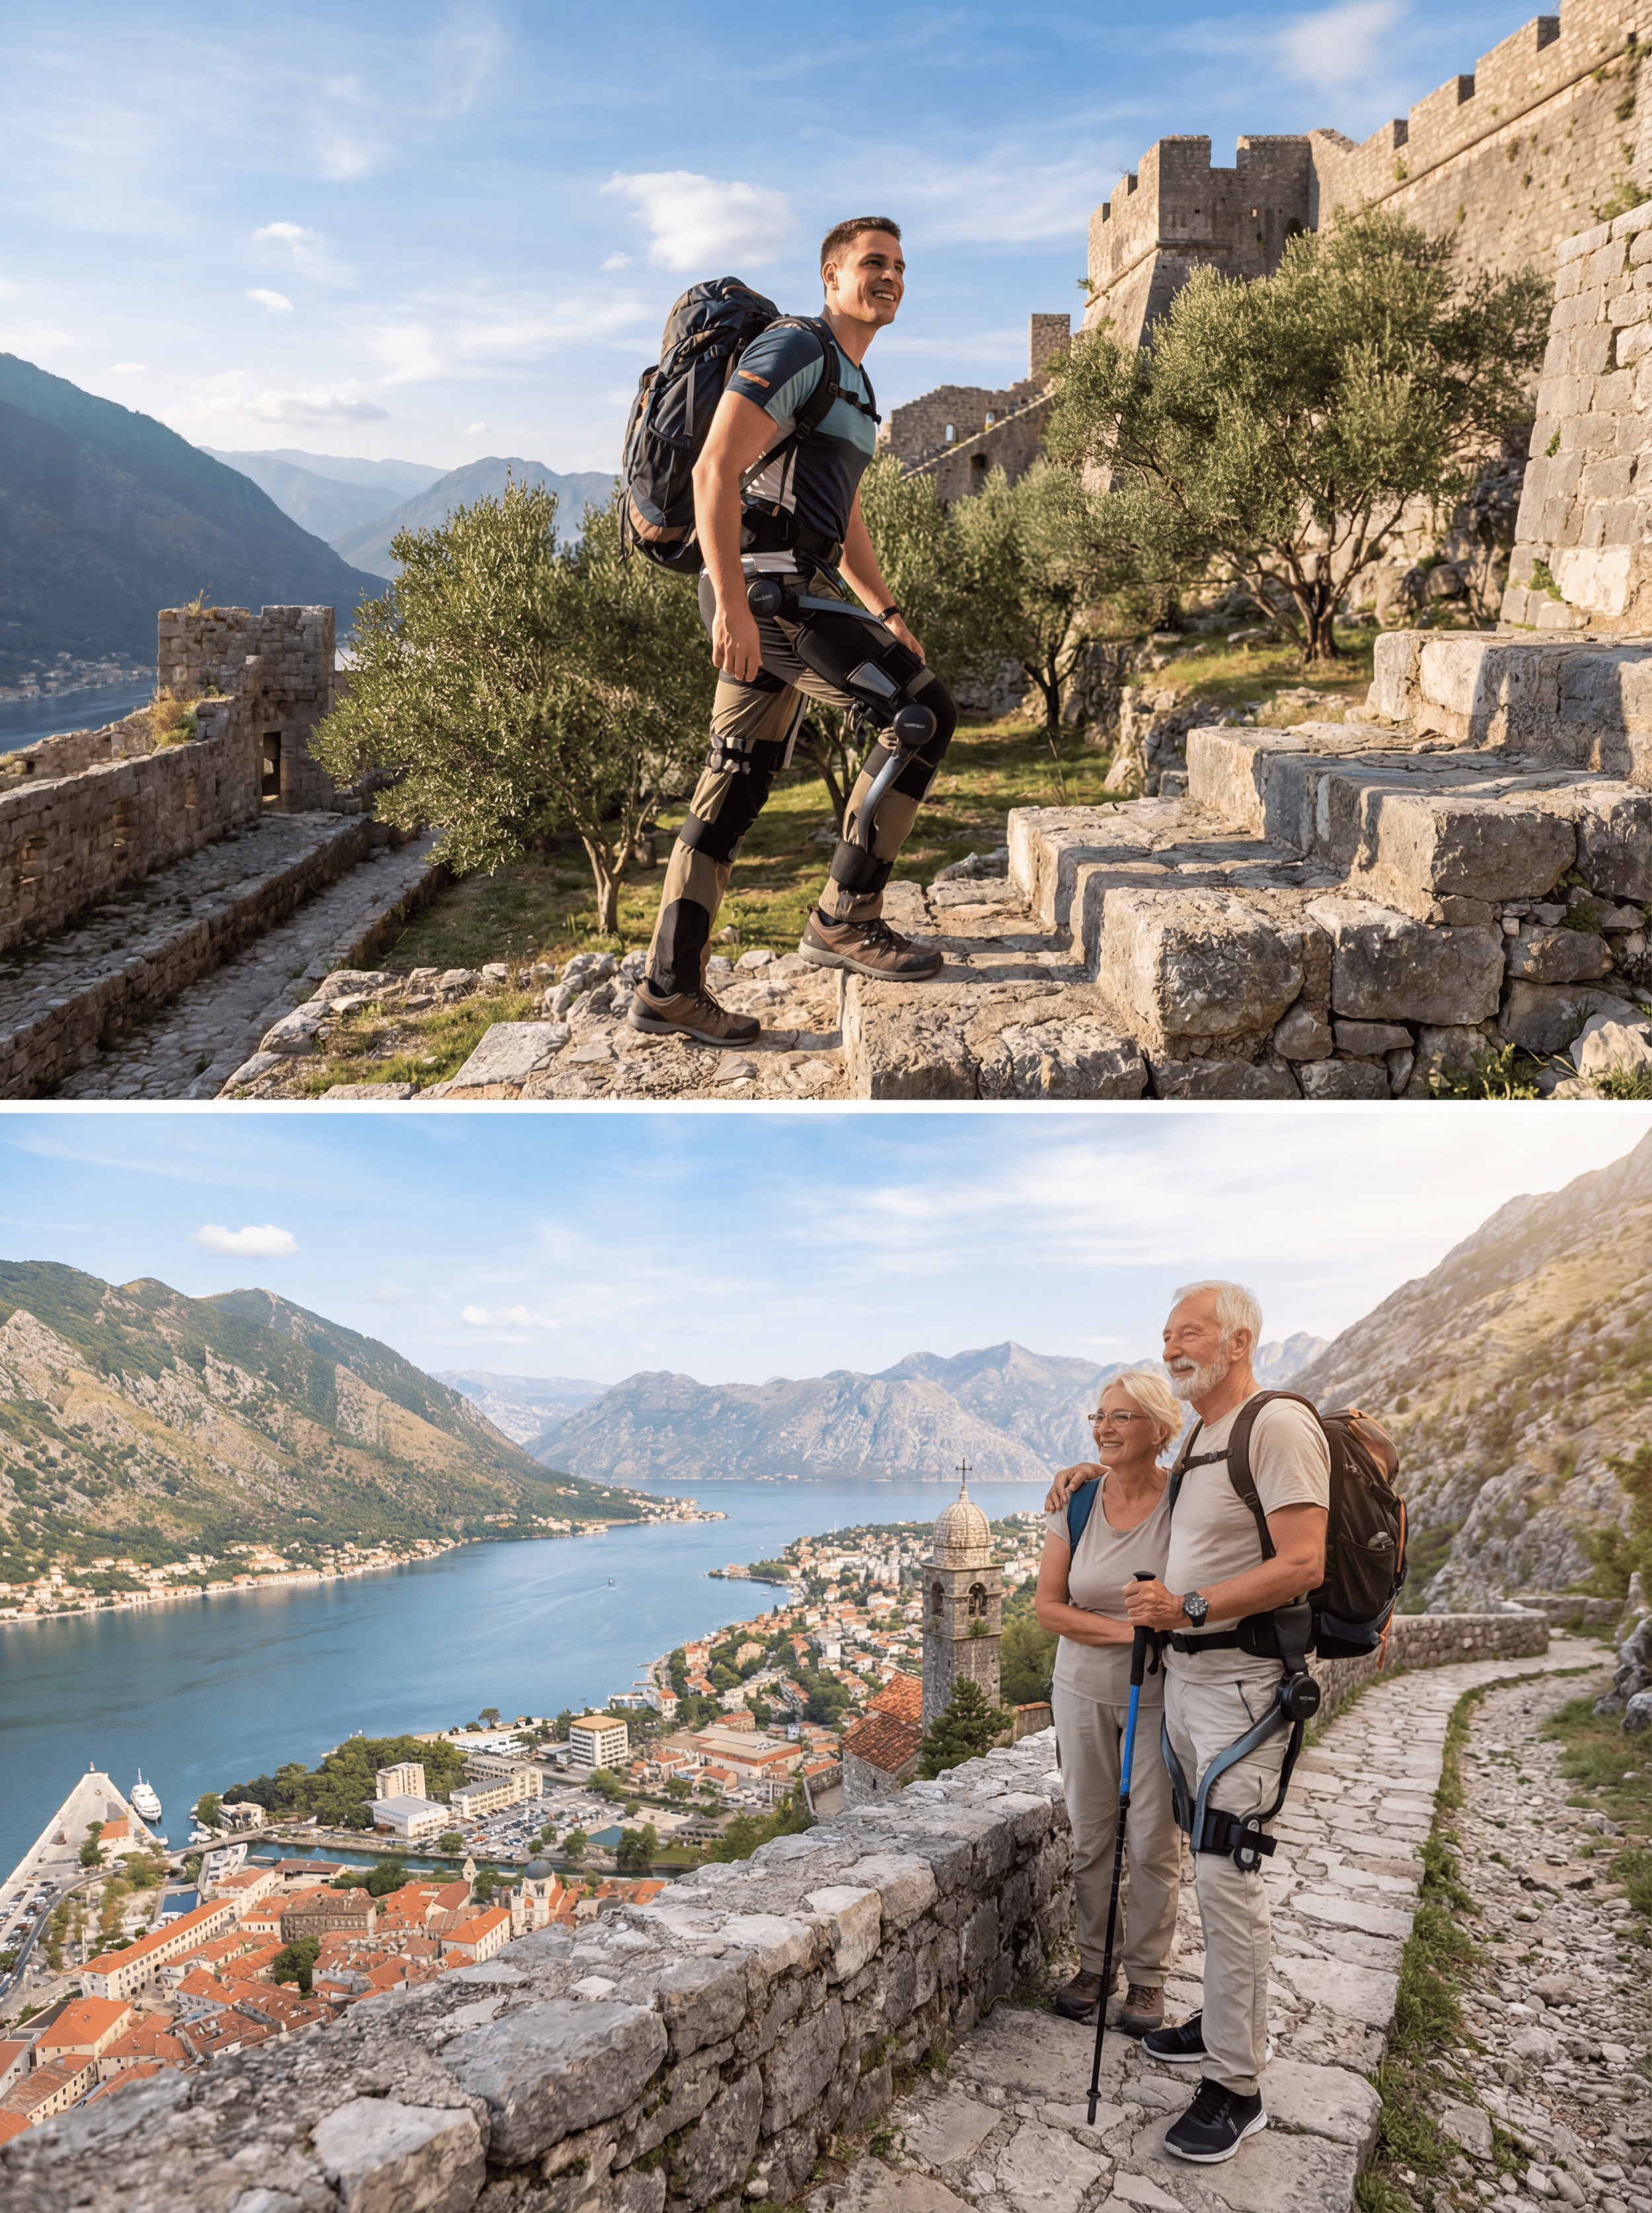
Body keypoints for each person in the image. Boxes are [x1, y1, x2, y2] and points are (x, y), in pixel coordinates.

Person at [629, 217, 959, 1048]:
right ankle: (844, 917)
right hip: (768, 592)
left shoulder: (852, 381)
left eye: (899, 266)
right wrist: (734, 608)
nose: (890, 277)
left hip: (794, 589)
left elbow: (843, 518)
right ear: (831, 275)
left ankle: (669, 989)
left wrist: (885, 611)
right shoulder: (796, 348)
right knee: (917, 717)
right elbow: (713, 468)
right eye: (872, 263)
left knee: (733, 784)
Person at [1045, 1281, 1329, 2167]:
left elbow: (1305, 1561)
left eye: (1190, 1333)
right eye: (1166, 1334)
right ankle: (1219, 2027)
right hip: (1190, 1688)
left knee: (1224, 1874)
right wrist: (1091, 1473)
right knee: (1207, 1867)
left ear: (1239, 1338)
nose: (1173, 1345)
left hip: (1240, 1689)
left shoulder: (1273, 1425)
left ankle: (1237, 2088)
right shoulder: (1206, 1437)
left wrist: (1186, 1606)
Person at [1035, 1369, 1182, 2039]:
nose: (1104, 1426)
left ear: (1160, 1427)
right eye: (1099, 1416)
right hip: (1082, 1693)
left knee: (1153, 1840)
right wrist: (1130, 1633)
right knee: (1093, 1834)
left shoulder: (1188, 1500)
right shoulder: (1077, 1501)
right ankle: (1094, 1965)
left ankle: (1146, 1979)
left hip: (1159, 1698)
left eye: (1122, 1416)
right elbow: (1049, 1608)